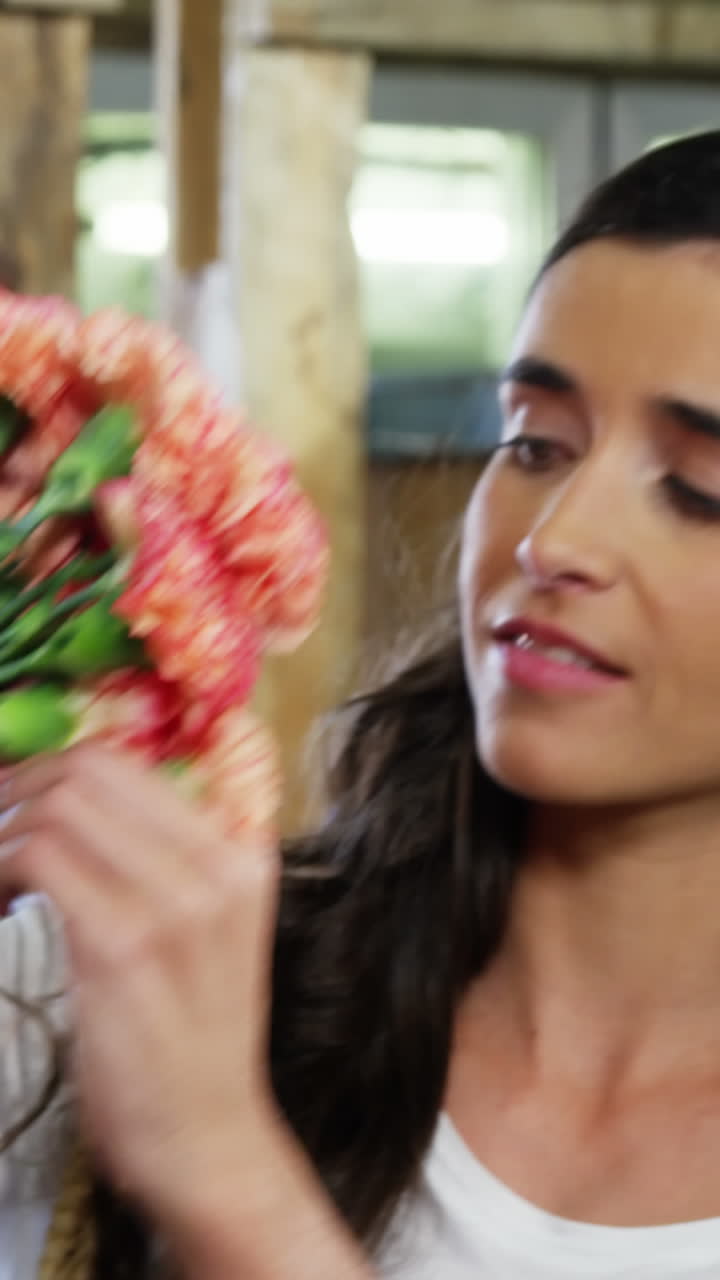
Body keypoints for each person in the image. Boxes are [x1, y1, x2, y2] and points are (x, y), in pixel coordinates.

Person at [6, 126, 720, 1279]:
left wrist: (224, 1173)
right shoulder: (151, 974)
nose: (555, 539)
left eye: (697, 492)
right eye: (535, 444)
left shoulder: (194, 1090)